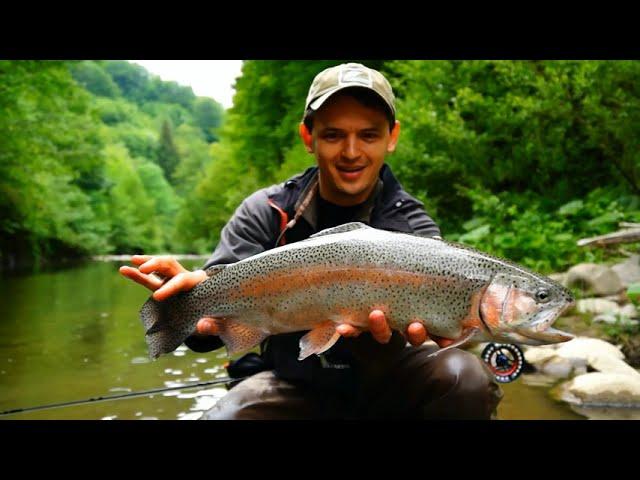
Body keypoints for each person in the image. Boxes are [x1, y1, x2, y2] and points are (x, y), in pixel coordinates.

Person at [120, 62, 503, 419]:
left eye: (368, 135)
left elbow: (437, 339)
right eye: (334, 135)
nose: (351, 152)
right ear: (309, 136)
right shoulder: (266, 211)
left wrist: (435, 335)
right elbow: (206, 336)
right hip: (293, 381)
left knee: (465, 378)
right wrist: (187, 307)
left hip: (387, 385)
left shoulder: (413, 228)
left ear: (392, 137)